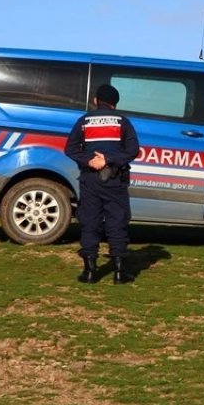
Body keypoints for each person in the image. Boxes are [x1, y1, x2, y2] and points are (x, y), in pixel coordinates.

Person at [64, 84, 140, 284]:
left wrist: (89, 160)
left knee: (90, 223)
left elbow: (70, 149)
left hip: (90, 179)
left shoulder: (84, 121)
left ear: (96, 101)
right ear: (115, 104)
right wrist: (108, 159)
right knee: (116, 223)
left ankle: (89, 272)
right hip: (115, 179)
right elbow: (133, 150)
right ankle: (119, 273)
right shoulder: (123, 122)